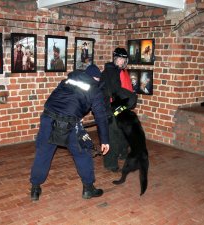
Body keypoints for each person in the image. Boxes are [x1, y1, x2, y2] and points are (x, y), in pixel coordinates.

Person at [30, 64, 110, 201]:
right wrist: (105, 140)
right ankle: (88, 189)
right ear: (96, 78)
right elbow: (101, 117)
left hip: (48, 117)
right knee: (83, 153)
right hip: (69, 123)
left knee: (43, 153)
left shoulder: (69, 79)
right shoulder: (95, 90)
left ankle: (35, 188)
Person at [100, 47, 137, 172]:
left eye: (123, 59)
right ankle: (110, 163)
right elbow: (113, 91)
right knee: (113, 135)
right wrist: (130, 98)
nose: (121, 61)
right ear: (115, 58)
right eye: (119, 59)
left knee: (124, 131)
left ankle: (122, 153)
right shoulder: (110, 72)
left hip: (122, 106)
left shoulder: (123, 71)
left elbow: (126, 88)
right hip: (112, 107)